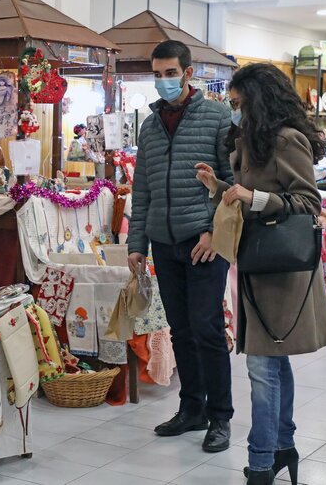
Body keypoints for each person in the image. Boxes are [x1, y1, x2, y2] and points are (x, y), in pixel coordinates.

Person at [196, 63, 326, 484]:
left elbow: (308, 202)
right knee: (273, 361)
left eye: (238, 103)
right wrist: (220, 189)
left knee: (262, 365)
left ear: (259, 100)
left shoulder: (286, 139)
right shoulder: (250, 140)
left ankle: (261, 463)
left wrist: (252, 196)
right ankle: (282, 448)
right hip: (258, 264)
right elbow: (253, 196)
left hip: (281, 270)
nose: (234, 110)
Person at [127, 40, 234, 453]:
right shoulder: (150, 126)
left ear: (188, 73)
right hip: (163, 242)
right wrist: (137, 243)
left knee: (208, 329)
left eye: (170, 73)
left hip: (203, 242)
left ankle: (220, 417)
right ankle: (192, 409)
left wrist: (213, 233)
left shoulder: (217, 117)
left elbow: (231, 185)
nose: (163, 81)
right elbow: (142, 190)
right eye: (157, 74)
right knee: (181, 330)